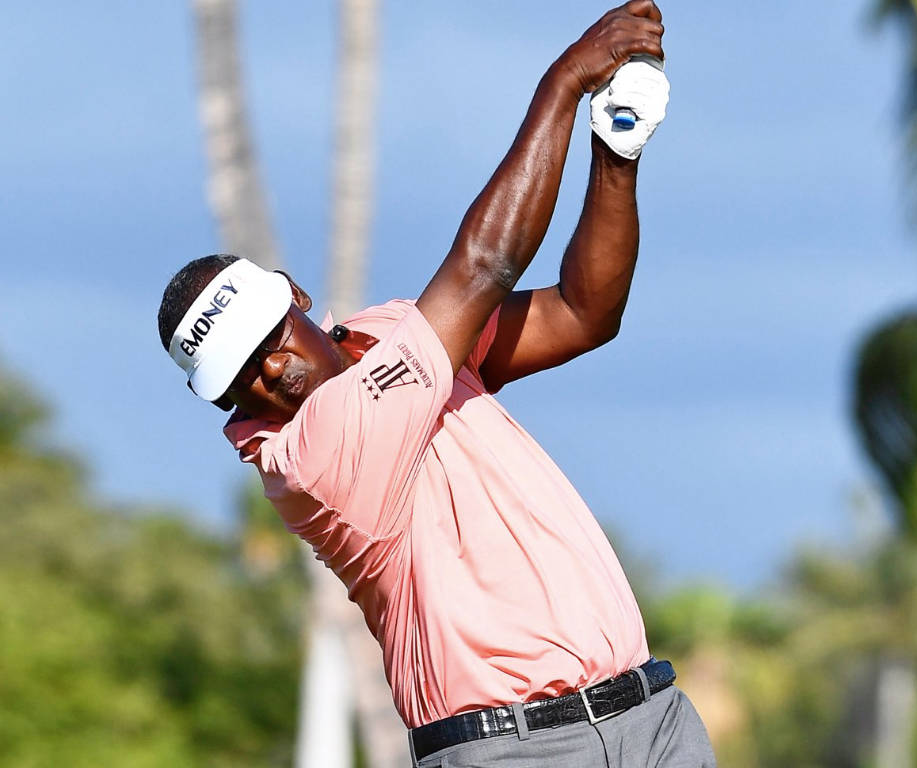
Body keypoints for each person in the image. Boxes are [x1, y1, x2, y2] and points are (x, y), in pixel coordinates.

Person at [158, 2, 715, 765]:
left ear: (291, 294)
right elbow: (484, 265)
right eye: (242, 376)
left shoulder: (397, 331)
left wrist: (615, 152)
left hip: (649, 718)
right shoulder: (312, 461)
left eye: (270, 340)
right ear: (224, 403)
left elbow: (584, 313)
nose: (273, 372)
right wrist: (565, 79)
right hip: (510, 749)